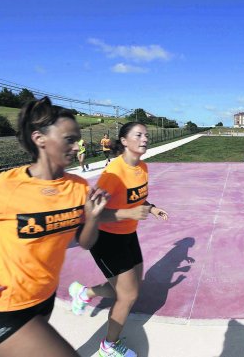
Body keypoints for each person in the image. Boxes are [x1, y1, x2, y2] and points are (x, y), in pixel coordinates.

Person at [0, 97, 110, 356]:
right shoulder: (1, 186)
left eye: (77, 139)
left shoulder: (79, 186)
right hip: (1, 306)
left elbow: (85, 242)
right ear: (40, 138)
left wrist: (93, 218)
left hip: (42, 300)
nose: (77, 146)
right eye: (69, 139)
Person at [69, 122, 169, 357]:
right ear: (124, 141)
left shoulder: (143, 167)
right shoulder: (113, 173)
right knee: (129, 295)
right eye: (138, 135)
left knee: (132, 286)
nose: (145, 138)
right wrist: (128, 214)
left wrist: (151, 208)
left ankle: (85, 293)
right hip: (106, 238)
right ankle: (108, 347)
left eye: (146, 134)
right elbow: (91, 213)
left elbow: (135, 199)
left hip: (127, 234)